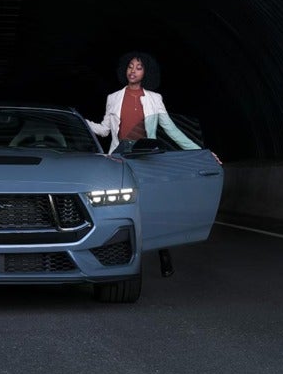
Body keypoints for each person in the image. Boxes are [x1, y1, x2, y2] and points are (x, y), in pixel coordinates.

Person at [86, 50, 221, 278]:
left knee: (151, 207)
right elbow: (105, 130)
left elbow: (171, 130)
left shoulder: (154, 99)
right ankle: (113, 256)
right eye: (130, 66)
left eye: (138, 67)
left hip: (147, 158)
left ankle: (163, 250)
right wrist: (83, 122)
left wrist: (202, 153)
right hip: (119, 159)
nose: (133, 71)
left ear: (146, 72)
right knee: (120, 208)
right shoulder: (113, 98)